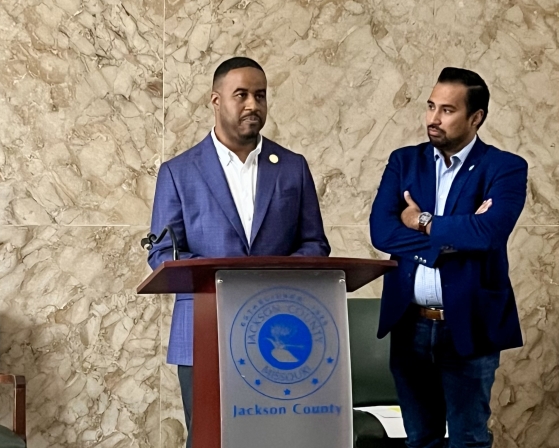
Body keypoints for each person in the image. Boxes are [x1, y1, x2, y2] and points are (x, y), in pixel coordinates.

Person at [147, 56, 330, 447]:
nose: (253, 105)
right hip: (203, 332)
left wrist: (271, 275)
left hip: (279, 332)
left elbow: (315, 244)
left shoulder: (292, 167)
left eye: (261, 96)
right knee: (210, 438)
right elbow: (164, 253)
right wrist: (229, 279)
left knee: (276, 439)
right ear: (216, 100)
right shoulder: (179, 172)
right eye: (242, 95)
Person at [369, 67, 527, 448]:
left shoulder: (504, 168)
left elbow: (489, 234)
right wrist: (458, 233)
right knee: (420, 438)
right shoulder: (404, 162)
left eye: (447, 110)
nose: (433, 119)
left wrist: (421, 221)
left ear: (476, 118)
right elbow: (382, 231)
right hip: (409, 324)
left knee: (468, 439)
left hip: (469, 323)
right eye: (430, 107)